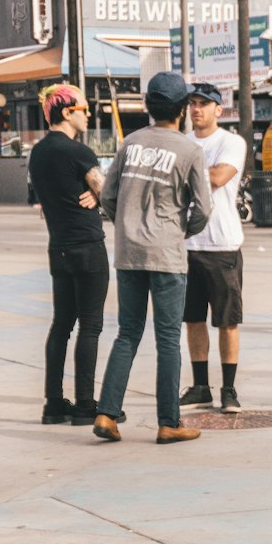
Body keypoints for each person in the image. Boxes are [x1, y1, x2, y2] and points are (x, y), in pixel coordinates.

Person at [95, 72, 211, 445]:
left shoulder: (130, 143)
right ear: (181, 109)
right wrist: (178, 231)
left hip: (128, 254)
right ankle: (169, 422)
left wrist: (127, 225)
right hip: (166, 255)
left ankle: (107, 414)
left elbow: (108, 196)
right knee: (167, 340)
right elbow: (203, 210)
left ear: (148, 106)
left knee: (127, 333)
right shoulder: (190, 150)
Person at [27, 83, 110, 426]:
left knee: (61, 324)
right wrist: (99, 196)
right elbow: (108, 189)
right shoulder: (78, 152)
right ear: (66, 112)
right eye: (84, 109)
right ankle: (85, 404)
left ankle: (53, 403)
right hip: (88, 246)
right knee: (90, 325)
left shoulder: (39, 152)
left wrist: (92, 193)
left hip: (58, 246)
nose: (89, 114)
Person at [176, 82, 247, 413]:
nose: (196, 109)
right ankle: (201, 386)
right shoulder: (180, 142)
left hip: (222, 245)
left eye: (204, 104)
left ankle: (229, 389)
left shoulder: (231, 142)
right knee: (192, 319)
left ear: (219, 109)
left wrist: (181, 173)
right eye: (192, 103)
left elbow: (219, 177)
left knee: (226, 320)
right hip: (185, 245)